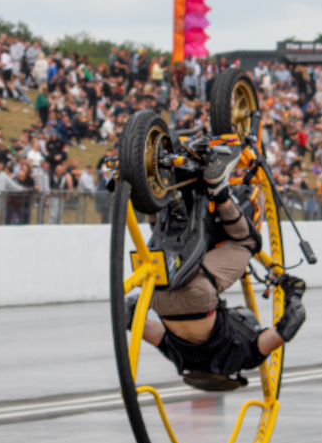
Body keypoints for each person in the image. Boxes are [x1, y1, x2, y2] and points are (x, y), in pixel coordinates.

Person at [128, 137, 307, 385]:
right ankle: (151, 194)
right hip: (160, 296)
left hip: (200, 296)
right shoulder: (179, 358)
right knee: (164, 242)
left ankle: (220, 193)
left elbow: (290, 324)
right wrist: (142, 301)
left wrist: (294, 294)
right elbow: (130, 316)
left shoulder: (244, 358)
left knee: (246, 242)